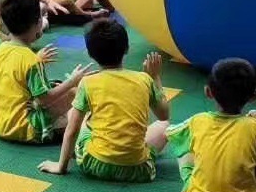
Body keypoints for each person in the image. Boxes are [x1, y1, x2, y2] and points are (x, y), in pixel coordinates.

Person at [40, 20, 170, 180]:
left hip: (95, 164)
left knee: (76, 112)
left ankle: (78, 151)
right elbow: (164, 115)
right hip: (138, 169)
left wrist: (60, 167)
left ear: (90, 53)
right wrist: (155, 77)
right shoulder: (145, 79)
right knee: (164, 126)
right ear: (127, 48)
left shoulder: (87, 82)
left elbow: (72, 130)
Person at [164, 58, 256, 192]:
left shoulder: (197, 121)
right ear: (254, 96)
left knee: (185, 154)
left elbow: (170, 133)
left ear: (208, 92)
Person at [0, 0, 92, 144]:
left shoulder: (0, 49)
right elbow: (44, 99)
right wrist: (73, 81)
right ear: (37, 23)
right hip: (23, 128)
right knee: (75, 92)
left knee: (56, 85)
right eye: (42, 16)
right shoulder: (30, 60)